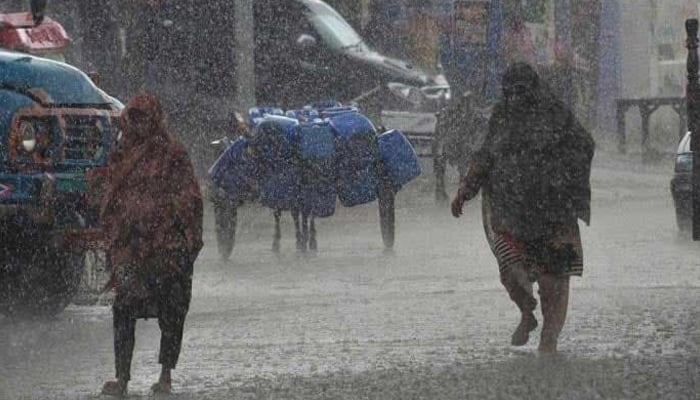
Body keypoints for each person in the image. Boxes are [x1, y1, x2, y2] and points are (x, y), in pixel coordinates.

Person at [451, 63, 594, 354]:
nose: (516, 98)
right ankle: (527, 312)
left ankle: (548, 344)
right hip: (511, 216)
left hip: (555, 214)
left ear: (534, 89)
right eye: (510, 92)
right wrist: (466, 190)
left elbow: (583, 146)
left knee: (554, 282)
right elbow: (486, 155)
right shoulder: (502, 118)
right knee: (512, 272)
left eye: (521, 92)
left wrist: (564, 181)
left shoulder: (556, 115)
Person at [89, 93, 203, 396]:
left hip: (167, 251)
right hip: (131, 250)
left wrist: (169, 225)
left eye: (142, 118)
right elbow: (111, 194)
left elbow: (190, 197)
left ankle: (166, 374)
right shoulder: (122, 153)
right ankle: (122, 378)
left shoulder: (173, 153)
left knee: (173, 311)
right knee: (124, 307)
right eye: (132, 118)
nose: (136, 125)